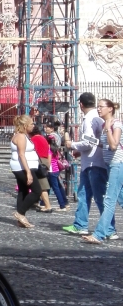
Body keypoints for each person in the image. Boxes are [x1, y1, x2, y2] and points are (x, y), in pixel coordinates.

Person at [62, 92, 110, 236]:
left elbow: (89, 142)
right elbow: (95, 141)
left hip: (93, 163)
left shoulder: (89, 119)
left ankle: (108, 227)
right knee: (84, 194)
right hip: (91, 161)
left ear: (81, 104)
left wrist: (72, 145)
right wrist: (79, 151)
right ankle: (80, 223)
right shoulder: (97, 117)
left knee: (99, 196)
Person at [83, 99, 123, 243]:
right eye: (98, 106)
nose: (98, 109)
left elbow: (113, 145)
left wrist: (107, 129)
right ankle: (106, 231)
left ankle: (99, 234)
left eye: (101, 106)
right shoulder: (104, 124)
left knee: (109, 201)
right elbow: (106, 145)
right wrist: (93, 141)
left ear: (110, 108)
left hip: (117, 164)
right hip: (110, 165)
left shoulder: (116, 124)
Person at [10, 114, 42, 228]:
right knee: (36, 191)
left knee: (23, 191)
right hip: (22, 167)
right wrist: (28, 172)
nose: (33, 125)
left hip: (21, 167)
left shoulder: (23, 136)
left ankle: (20, 219)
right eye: (31, 123)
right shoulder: (21, 137)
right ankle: (20, 213)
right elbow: (21, 154)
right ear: (25, 125)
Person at [43, 120, 68, 211]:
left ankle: (62, 205)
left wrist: (46, 168)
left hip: (52, 169)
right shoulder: (55, 148)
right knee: (52, 185)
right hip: (55, 168)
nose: (45, 129)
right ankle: (44, 202)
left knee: (55, 187)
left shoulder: (51, 146)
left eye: (47, 127)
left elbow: (49, 160)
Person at [30, 125, 53, 212]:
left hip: (39, 161)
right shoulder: (43, 138)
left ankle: (48, 206)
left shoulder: (34, 139)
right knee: (38, 183)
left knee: (42, 185)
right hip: (45, 160)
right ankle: (35, 202)